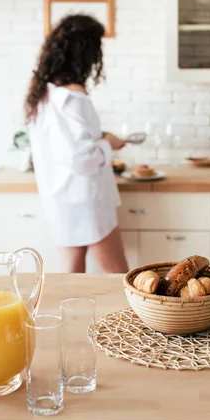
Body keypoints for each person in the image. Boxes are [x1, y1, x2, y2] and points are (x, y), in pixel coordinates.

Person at [24, 14, 129, 274]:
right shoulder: (72, 98)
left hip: (61, 199)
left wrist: (100, 138)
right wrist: (108, 144)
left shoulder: (46, 94)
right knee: (119, 279)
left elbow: (66, 143)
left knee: (71, 279)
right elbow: (81, 158)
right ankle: (129, 317)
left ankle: (71, 317)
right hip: (86, 199)